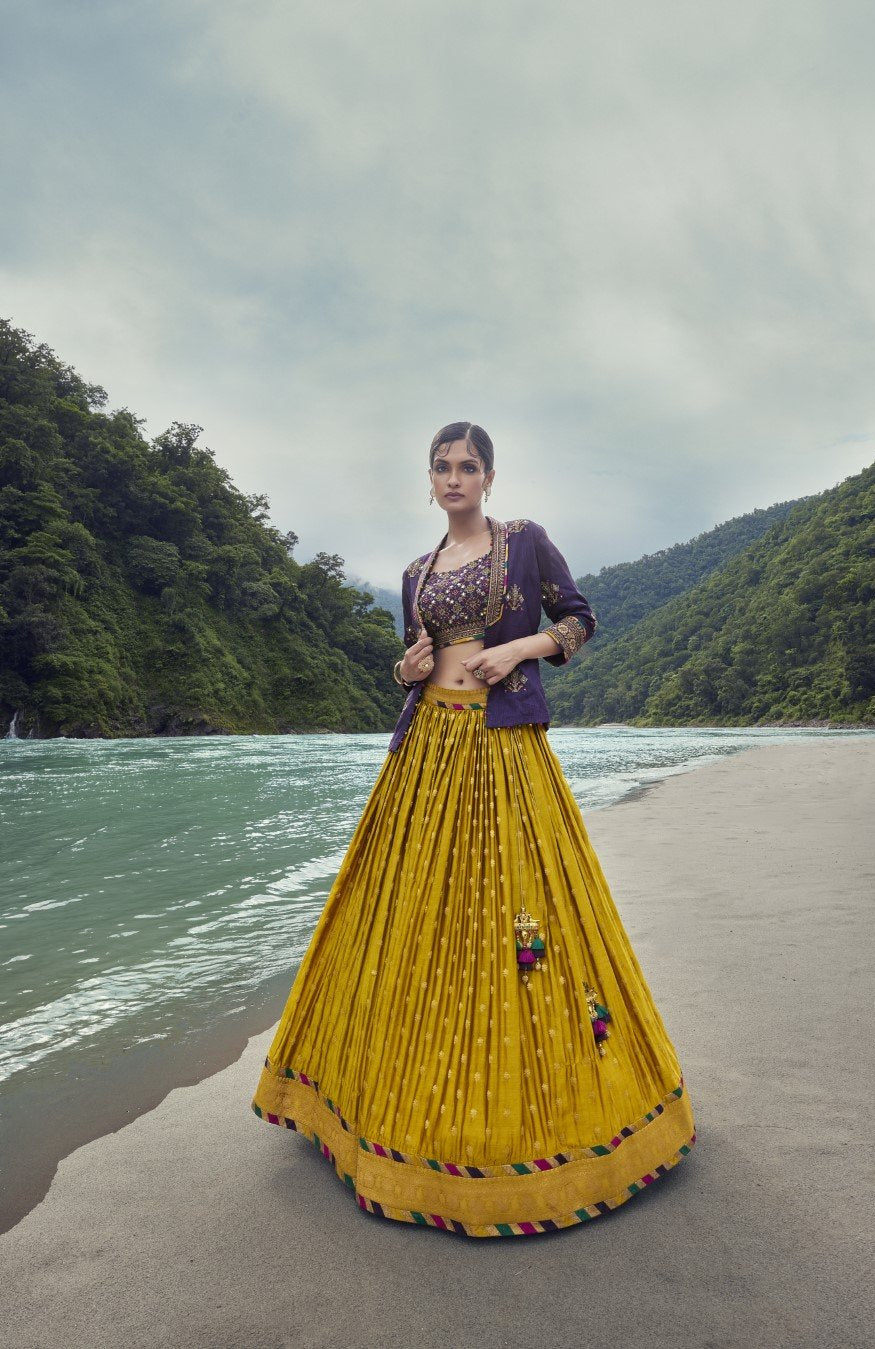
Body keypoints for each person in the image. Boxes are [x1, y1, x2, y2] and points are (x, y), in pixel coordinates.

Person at [251, 421, 696, 1238]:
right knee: (411, 915)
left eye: (468, 466)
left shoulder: (524, 544)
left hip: (502, 749)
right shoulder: (417, 571)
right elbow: (413, 661)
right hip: (427, 749)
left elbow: (579, 618)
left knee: (513, 911)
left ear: (489, 477)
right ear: (428, 481)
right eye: (441, 467)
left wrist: (519, 649)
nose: (454, 478)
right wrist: (407, 670)